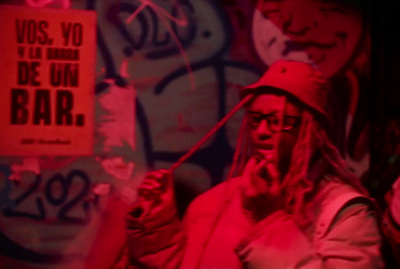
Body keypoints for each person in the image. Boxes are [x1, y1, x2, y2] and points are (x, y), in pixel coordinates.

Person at [124, 60, 383, 268]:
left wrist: (270, 221)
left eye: (279, 120)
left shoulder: (344, 213)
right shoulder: (214, 202)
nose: (262, 130)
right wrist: (156, 226)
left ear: (313, 131)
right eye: (256, 117)